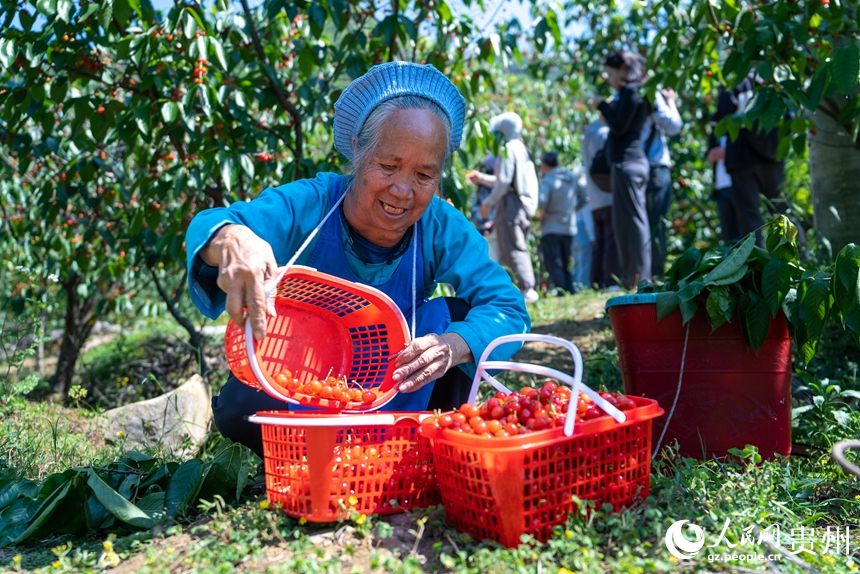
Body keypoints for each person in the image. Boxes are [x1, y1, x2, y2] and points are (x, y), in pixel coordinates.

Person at [185, 62, 530, 456]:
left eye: (423, 175)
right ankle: (321, 446)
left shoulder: (439, 225)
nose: (402, 190)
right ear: (357, 149)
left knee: (460, 314)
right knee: (238, 408)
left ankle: (415, 443)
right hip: (305, 381)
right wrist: (231, 238)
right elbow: (212, 224)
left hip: (399, 382)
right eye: (388, 165)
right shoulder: (313, 203)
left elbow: (507, 306)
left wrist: (452, 344)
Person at [466, 112, 540, 303]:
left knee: (513, 246)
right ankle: (523, 288)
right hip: (522, 203)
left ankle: (526, 289)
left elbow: (505, 182)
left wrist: (488, 202)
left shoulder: (509, 148)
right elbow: (503, 180)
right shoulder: (521, 148)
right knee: (514, 243)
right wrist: (481, 178)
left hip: (511, 204)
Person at [595, 51, 652, 289]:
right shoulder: (634, 91)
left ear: (621, 69)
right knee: (625, 223)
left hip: (628, 163)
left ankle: (638, 277)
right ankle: (632, 276)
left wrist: (603, 106)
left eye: (610, 72)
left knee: (633, 223)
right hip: (628, 164)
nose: (608, 78)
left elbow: (619, 126)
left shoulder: (632, 91)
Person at [711, 76, 787, 245]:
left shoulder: (735, 81)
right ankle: (800, 260)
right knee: (783, 213)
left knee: (750, 221)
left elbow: (720, 118)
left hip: (742, 161)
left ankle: (758, 266)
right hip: (772, 155)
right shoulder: (776, 79)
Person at [642, 87, 683, 278]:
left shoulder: (622, 96)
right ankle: (655, 273)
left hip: (639, 170)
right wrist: (671, 101)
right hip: (655, 169)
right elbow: (674, 125)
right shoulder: (651, 95)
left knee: (643, 222)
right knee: (657, 224)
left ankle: (643, 271)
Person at [581, 117, 620, 289]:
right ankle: (611, 282)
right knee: (612, 240)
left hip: (594, 199)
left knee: (600, 243)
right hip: (607, 195)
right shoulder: (603, 133)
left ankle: (596, 283)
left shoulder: (587, 135)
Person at [536, 151, 577, 294]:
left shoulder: (548, 179)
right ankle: (570, 289)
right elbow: (584, 197)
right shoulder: (571, 178)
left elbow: (541, 200)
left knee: (555, 262)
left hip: (552, 227)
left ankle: (562, 291)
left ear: (544, 164)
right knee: (566, 262)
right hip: (569, 227)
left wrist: (543, 213)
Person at [706, 130, 742, 244]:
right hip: (720, 188)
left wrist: (728, 152)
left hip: (738, 186)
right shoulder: (717, 132)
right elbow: (709, 155)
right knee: (728, 234)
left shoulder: (740, 127)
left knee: (743, 232)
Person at [470, 154, 500, 262]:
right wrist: (484, 224)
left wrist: (494, 223)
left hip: (500, 231)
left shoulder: (501, 189)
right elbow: (475, 213)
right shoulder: (481, 190)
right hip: (486, 234)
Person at [571, 170, 595, 293]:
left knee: (576, 264)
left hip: (572, 232)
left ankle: (575, 289)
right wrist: (592, 236)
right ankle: (582, 290)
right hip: (582, 232)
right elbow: (588, 219)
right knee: (584, 265)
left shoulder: (570, 197)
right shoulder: (583, 198)